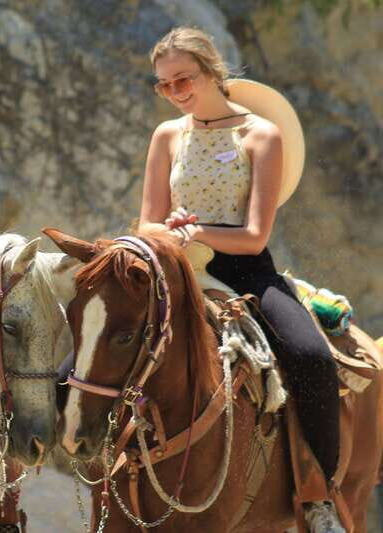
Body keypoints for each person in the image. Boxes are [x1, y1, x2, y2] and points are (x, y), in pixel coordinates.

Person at [138, 27, 343, 530]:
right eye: (164, 86)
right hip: (178, 268)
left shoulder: (261, 134)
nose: (175, 93)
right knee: (94, 347)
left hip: (246, 270)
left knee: (310, 356)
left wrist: (195, 231)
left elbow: (253, 235)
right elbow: (145, 221)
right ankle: (99, 466)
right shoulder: (167, 135)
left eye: (182, 80)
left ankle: (320, 496)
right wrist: (170, 234)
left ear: (212, 71)